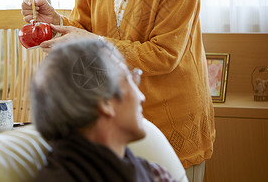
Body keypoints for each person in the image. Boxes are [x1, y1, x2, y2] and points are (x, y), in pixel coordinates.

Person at [22, 0, 215, 180]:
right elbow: (86, 30)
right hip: (113, 123)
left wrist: (93, 41)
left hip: (170, 118)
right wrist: (57, 23)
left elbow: (164, 55)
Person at [31, 38, 176, 181]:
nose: (141, 97)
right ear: (106, 103)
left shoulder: (155, 174)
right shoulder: (155, 176)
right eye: (130, 79)